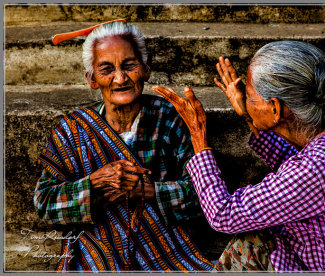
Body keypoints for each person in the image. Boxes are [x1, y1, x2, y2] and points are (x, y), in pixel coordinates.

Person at [152, 40, 325, 271]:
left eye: (249, 97)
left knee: (250, 243)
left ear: (276, 108)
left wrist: (198, 138)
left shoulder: (313, 171)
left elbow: (223, 214)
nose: (244, 100)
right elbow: (291, 165)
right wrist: (248, 114)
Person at [34, 20, 213, 272]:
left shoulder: (171, 119)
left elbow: (205, 196)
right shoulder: (73, 130)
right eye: (106, 69)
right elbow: (45, 203)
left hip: (162, 248)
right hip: (98, 247)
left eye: (129, 65)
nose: (120, 78)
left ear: (146, 69)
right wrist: (95, 183)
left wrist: (147, 190)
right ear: (92, 79)